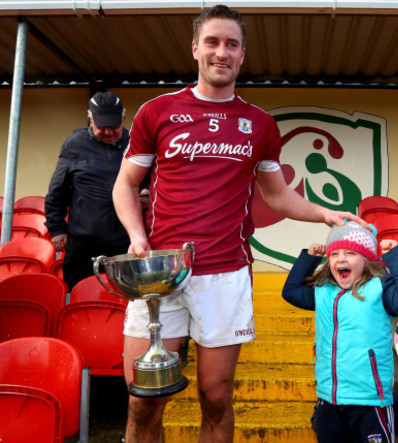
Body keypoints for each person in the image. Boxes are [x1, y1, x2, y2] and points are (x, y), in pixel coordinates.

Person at [111, 5, 369, 442]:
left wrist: (326, 213)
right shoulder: (157, 112)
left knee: (215, 396)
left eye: (231, 44)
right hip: (160, 272)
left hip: (224, 274)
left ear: (242, 55)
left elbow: (277, 194)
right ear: (195, 49)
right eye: (212, 42)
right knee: (143, 399)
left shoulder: (260, 125)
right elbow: (124, 185)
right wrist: (138, 237)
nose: (221, 52)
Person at [282, 221, 398, 443]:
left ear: (366, 259)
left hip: (370, 403)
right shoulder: (322, 291)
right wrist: (310, 258)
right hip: (329, 401)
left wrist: (394, 256)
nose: (341, 259)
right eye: (334, 254)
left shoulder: (380, 289)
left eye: (350, 253)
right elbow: (291, 291)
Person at [44, 91, 131, 291]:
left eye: (114, 127)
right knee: (82, 292)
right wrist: (57, 229)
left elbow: (150, 180)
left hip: (125, 241)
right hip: (84, 241)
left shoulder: (135, 143)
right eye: (102, 127)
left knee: (126, 299)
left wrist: (145, 191)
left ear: (124, 119)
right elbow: (58, 189)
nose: (109, 133)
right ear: (90, 120)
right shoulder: (75, 144)